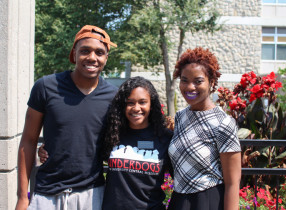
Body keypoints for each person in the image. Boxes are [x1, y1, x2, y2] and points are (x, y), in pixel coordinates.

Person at [16, 25, 118, 210]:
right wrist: (23, 197)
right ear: (74, 53)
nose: (92, 58)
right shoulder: (46, 87)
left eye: (99, 52)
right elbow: (28, 141)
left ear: (106, 58)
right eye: (85, 51)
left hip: (92, 195)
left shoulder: (113, 96)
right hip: (47, 194)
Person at [39, 76, 173, 210]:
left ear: (151, 104)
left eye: (142, 102)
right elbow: (82, 143)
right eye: (130, 102)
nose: (136, 108)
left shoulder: (165, 138)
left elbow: (180, 179)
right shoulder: (113, 133)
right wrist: (48, 149)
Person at [167, 47, 241, 210]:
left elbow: (232, 183)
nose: (190, 87)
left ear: (212, 82)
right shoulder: (180, 117)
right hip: (178, 200)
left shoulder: (224, 123)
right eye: (184, 80)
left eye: (198, 81)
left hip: (208, 202)